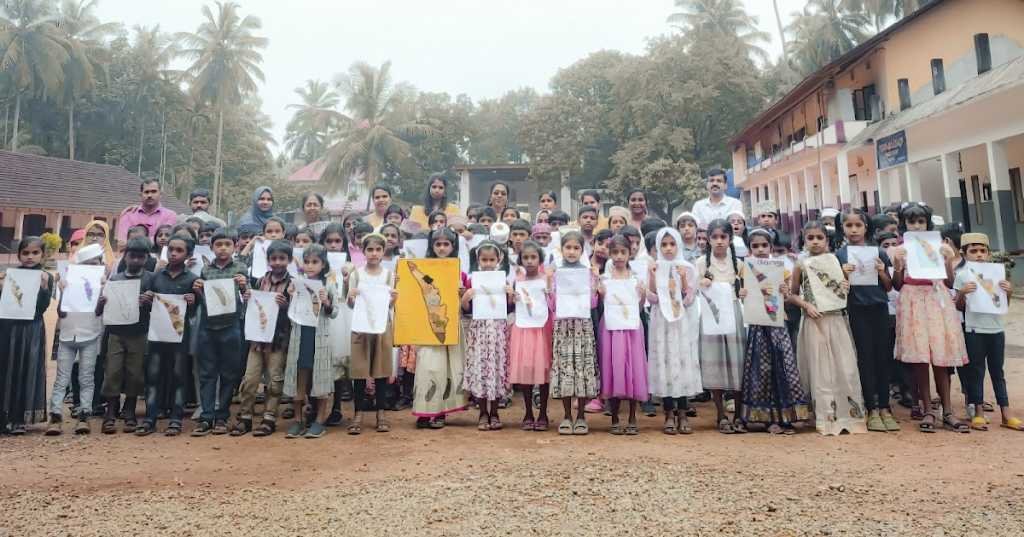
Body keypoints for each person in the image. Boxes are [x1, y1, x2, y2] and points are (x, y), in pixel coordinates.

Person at [890, 203, 969, 433]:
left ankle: (947, 411)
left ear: (927, 223)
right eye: (911, 222)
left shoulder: (940, 246)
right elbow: (896, 284)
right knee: (921, 359)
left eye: (920, 221)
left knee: (941, 358)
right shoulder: (900, 249)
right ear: (904, 224)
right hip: (912, 301)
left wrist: (947, 261)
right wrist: (897, 265)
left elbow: (950, 283)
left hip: (937, 301)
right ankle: (927, 410)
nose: (916, 225)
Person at [790, 220, 866, 436]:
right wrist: (806, 305)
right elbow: (792, 294)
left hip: (837, 320)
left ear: (827, 240)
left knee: (845, 367)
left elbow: (840, 292)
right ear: (804, 240)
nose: (815, 242)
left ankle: (849, 416)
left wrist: (846, 283)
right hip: (814, 322)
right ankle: (825, 417)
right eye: (810, 238)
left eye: (819, 238)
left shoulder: (835, 261)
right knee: (821, 370)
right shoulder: (801, 264)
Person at [740, 229, 807, 434]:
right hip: (758, 326)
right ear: (750, 249)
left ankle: (786, 417)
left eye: (764, 245)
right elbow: (744, 295)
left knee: (784, 367)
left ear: (770, 247)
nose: (760, 250)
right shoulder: (745, 269)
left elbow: (787, 298)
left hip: (778, 324)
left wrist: (785, 293)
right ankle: (767, 418)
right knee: (762, 370)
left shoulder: (781, 268)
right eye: (755, 246)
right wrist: (741, 293)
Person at [836, 209, 898, 432]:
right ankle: (871, 409)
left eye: (858, 225)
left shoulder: (879, 252)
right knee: (865, 359)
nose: (853, 230)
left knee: (883, 357)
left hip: (879, 309)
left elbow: (889, 286)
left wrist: (882, 271)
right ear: (842, 228)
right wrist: (843, 274)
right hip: (857, 310)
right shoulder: (840, 255)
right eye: (849, 225)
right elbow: (838, 289)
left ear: (866, 227)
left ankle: (885, 407)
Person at [953, 232, 1021, 432]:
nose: (979, 254)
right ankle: (979, 412)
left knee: (997, 371)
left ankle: (1006, 412)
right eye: (974, 251)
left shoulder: (997, 274)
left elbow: (1003, 305)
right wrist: (963, 293)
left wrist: (1008, 292)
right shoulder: (963, 275)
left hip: (996, 329)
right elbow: (958, 307)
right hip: (974, 329)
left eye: (983, 251)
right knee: (976, 371)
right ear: (964, 253)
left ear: (989, 253)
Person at [136, 235, 198, 436]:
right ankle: (150, 418)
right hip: (156, 337)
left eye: (179, 250)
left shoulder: (192, 280)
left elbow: (197, 311)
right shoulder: (156, 277)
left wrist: (194, 300)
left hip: (180, 338)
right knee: (152, 377)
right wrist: (145, 299)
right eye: (171, 249)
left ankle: (176, 419)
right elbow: (146, 307)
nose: (173, 253)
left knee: (179, 377)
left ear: (188, 254)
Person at [190, 229, 249, 436]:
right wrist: (197, 290)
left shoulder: (241, 268)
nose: (223, 248)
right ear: (212, 247)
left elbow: (249, 298)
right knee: (207, 373)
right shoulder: (205, 270)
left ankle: (222, 416)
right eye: (218, 244)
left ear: (234, 247)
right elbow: (200, 300)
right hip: (208, 326)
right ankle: (206, 417)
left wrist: (243, 287)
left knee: (229, 373)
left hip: (232, 326)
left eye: (227, 244)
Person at [233, 240, 293, 437]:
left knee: (275, 380)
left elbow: (297, 313)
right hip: (257, 339)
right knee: (250, 379)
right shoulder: (260, 281)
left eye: (282, 258)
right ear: (268, 260)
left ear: (289, 260)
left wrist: (286, 306)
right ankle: (246, 417)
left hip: (279, 339)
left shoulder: (292, 284)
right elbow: (250, 307)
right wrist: (248, 297)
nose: (277, 262)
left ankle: (269, 418)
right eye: (273, 258)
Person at [412, 227, 469, 428]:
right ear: (432, 246)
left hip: (450, 325)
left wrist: (463, 294)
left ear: (453, 247)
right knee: (429, 367)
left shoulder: (460, 272)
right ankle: (425, 412)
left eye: (446, 244)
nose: (442, 248)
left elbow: (466, 306)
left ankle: (441, 412)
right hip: (429, 326)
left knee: (449, 370)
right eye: (438, 244)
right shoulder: (426, 270)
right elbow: (420, 287)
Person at [46, 244, 106, 435]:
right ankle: (55, 418)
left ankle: (84, 417)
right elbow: (61, 313)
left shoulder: (104, 283)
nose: (91, 267)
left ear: (101, 264)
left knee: (86, 378)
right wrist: (63, 291)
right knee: (62, 378)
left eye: (94, 264)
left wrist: (101, 297)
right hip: (67, 336)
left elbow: (98, 313)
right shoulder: (67, 281)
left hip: (90, 335)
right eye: (86, 264)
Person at [646, 228, 701, 435]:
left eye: (672, 244)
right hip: (661, 321)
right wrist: (652, 277)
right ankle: (668, 413)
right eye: (664, 245)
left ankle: (683, 413)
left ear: (678, 245)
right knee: (665, 362)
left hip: (681, 322)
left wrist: (684, 279)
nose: (668, 249)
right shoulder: (654, 266)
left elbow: (689, 299)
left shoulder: (687, 267)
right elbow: (650, 298)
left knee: (681, 361)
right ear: (658, 247)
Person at [98, 237, 154, 434]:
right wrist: (102, 301)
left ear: (147, 258)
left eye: (141, 257)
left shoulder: (150, 279)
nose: (136, 260)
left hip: (139, 333)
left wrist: (149, 300)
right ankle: (110, 412)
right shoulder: (116, 279)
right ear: (125, 256)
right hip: (116, 333)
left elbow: (160, 308)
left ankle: (129, 411)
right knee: (113, 371)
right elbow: (99, 311)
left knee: (134, 372)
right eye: (132, 256)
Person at [695, 220, 747, 434]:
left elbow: (747, 288)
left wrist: (744, 292)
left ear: (730, 239)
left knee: (737, 362)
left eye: (723, 237)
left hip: (734, 313)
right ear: (708, 239)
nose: (719, 241)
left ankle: (738, 415)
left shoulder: (739, 264)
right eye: (714, 237)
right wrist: (703, 284)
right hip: (711, 316)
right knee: (714, 362)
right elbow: (695, 288)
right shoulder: (701, 263)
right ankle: (720, 414)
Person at [282, 245, 338, 439]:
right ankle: (298, 420)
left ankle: (319, 421)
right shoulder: (297, 284)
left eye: (315, 262)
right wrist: (291, 296)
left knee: (320, 377)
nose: (310, 266)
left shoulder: (328, 284)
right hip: (300, 335)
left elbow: (335, 312)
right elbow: (291, 313)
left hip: (319, 337)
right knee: (299, 376)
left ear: (323, 265)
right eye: (307, 262)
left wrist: (327, 302)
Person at [595, 234, 648, 435]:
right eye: (615, 252)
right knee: (613, 366)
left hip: (632, 328)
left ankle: (633, 416)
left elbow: (640, 308)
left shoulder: (635, 279)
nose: (618, 256)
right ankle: (615, 416)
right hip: (611, 328)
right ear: (609, 254)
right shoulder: (605, 279)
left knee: (634, 368)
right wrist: (600, 293)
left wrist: (641, 295)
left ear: (629, 253)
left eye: (622, 252)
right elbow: (601, 305)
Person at [345, 233, 398, 434]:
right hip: (361, 326)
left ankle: (381, 412)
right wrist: (351, 296)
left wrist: (393, 299)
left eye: (378, 249)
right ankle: (358, 413)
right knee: (359, 371)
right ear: (363, 251)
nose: (374, 253)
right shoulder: (356, 275)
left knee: (381, 370)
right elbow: (350, 303)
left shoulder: (388, 275)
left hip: (382, 326)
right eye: (370, 249)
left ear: (383, 252)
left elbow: (390, 305)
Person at [0, 237, 53, 434]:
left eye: (35, 253)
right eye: (26, 253)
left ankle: (19, 419)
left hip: (32, 330)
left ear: (43, 255)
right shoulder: (10, 275)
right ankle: (4, 417)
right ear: (19, 255)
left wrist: (45, 288)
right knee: (7, 369)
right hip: (9, 329)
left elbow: (42, 307)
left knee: (26, 370)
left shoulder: (46, 277)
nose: (30, 257)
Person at [549, 231, 600, 435]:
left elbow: (593, 303)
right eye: (568, 247)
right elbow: (551, 304)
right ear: (561, 250)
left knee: (581, 369)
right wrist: (548, 283)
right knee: (564, 370)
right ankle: (567, 415)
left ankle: (581, 417)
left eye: (576, 248)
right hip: (563, 328)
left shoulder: (587, 273)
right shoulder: (556, 272)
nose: (571, 251)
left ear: (582, 250)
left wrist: (595, 282)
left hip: (582, 328)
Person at [462, 240, 512, 431]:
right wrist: (466, 298)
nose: (488, 263)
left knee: (497, 367)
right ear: (478, 259)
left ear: (499, 259)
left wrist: (509, 294)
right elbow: (466, 309)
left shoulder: (504, 280)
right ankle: (482, 412)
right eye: (484, 259)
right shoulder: (472, 280)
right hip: (479, 330)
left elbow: (509, 308)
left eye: (492, 259)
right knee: (480, 368)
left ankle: (495, 412)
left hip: (498, 329)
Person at [509, 240, 552, 432]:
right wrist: (511, 296)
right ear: (520, 260)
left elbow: (553, 303)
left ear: (540, 259)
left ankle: (543, 412)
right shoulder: (517, 280)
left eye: (533, 257)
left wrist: (549, 291)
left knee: (543, 369)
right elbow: (510, 305)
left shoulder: (547, 278)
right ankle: (527, 412)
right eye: (525, 257)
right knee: (526, 368)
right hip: (523, 328)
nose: (529, 261)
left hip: (542, 328)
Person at [116, 178, 179, 247]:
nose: (149, 195)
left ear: (161, 194)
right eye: (146, 192)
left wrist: (135, 243)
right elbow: (121, 243)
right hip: (133, 256)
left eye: (153, 191)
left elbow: (166, 240)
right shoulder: (128, 214)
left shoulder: (170, 215)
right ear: (140, 195)